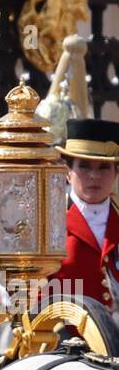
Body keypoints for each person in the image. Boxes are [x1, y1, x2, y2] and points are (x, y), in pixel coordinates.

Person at [49, 117, 119, 308]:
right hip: (59, 335)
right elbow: (23, 294)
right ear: (67, 172)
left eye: (103, 167)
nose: (94, 176)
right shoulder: (46, 223)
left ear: (116, 173)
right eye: (85, 166)